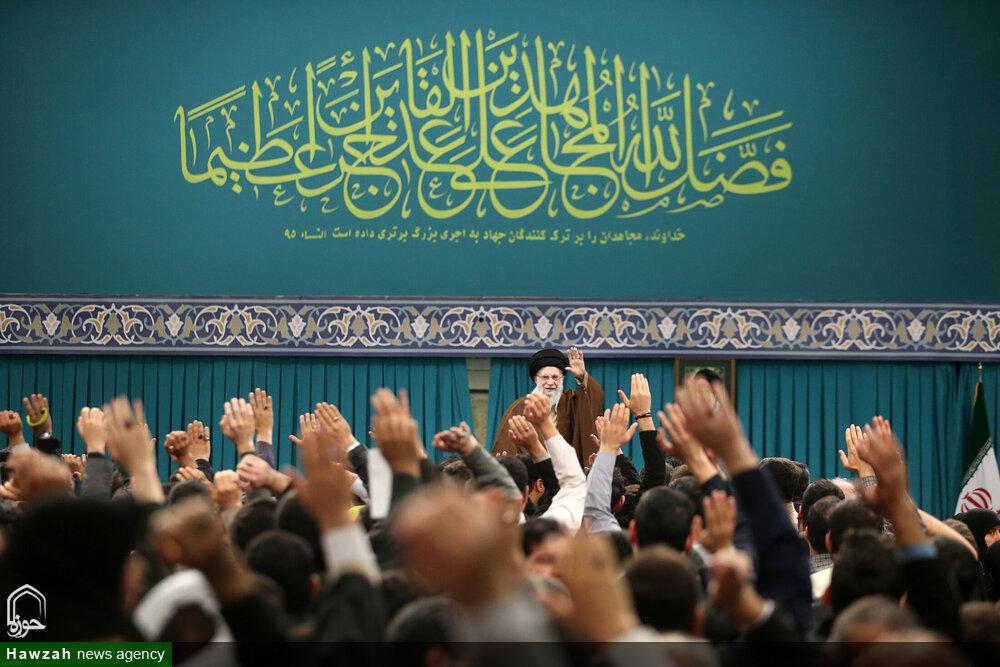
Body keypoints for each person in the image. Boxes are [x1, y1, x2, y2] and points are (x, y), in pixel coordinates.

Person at [490, 347, 603, 464]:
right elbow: (507, 446)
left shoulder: (572, 401)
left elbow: (594, 398)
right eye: (545, 377)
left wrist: (582, 376)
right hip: (533, 475)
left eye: (555, 377)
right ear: (535, 379)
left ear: (562, 378)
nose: (550, 382)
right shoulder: (519, 408)